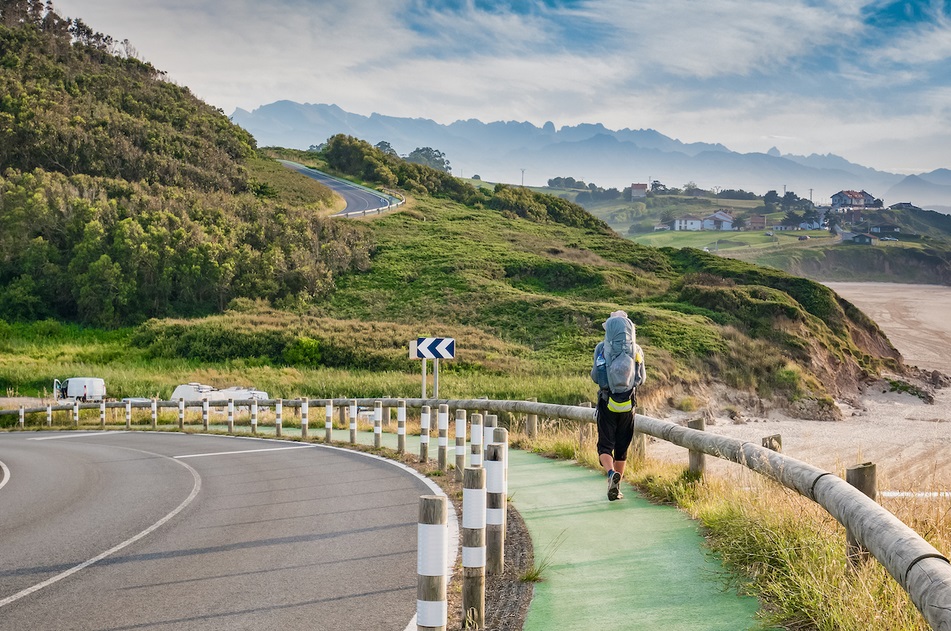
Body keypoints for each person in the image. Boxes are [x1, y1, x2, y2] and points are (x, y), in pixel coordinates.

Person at [591, 310, 645, 501]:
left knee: (605, 446)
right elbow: (640, 379)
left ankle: (610, 473)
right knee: (622, 448)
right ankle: (617, 487)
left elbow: (595, 377)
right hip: (628, 405)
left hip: (607, 403)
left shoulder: (601, 348)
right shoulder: (636, 349)